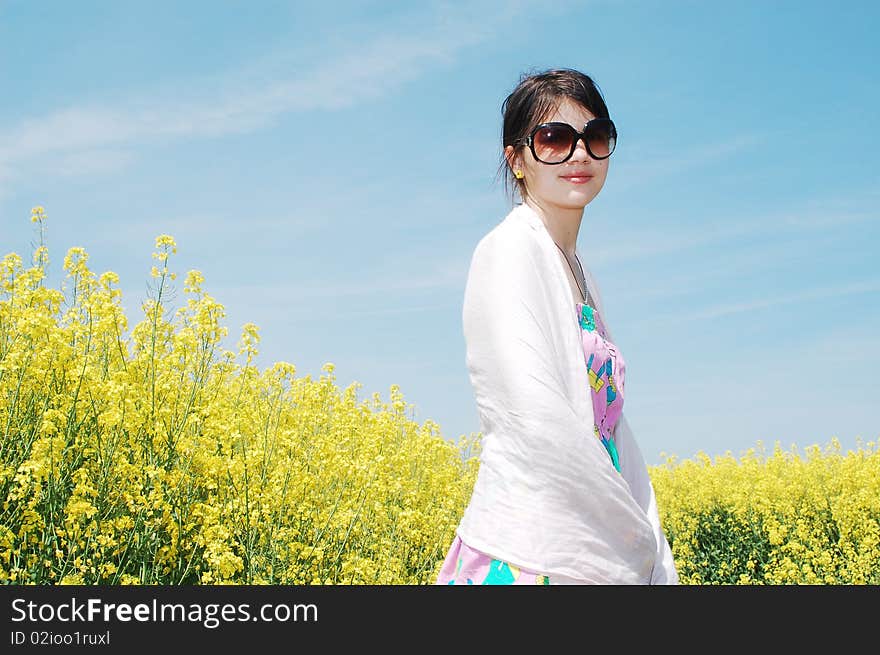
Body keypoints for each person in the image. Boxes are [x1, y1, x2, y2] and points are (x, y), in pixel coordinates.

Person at [435, 68, 679, 585]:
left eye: (595, 137)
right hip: (533, 552)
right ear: (516, 158)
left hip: (594, 538)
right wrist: (633, 536)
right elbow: (533, 418)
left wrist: (650, 543)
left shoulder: (579, 269)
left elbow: (609, 427)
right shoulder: (507, 253)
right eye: (553, 138)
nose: (579, 155)